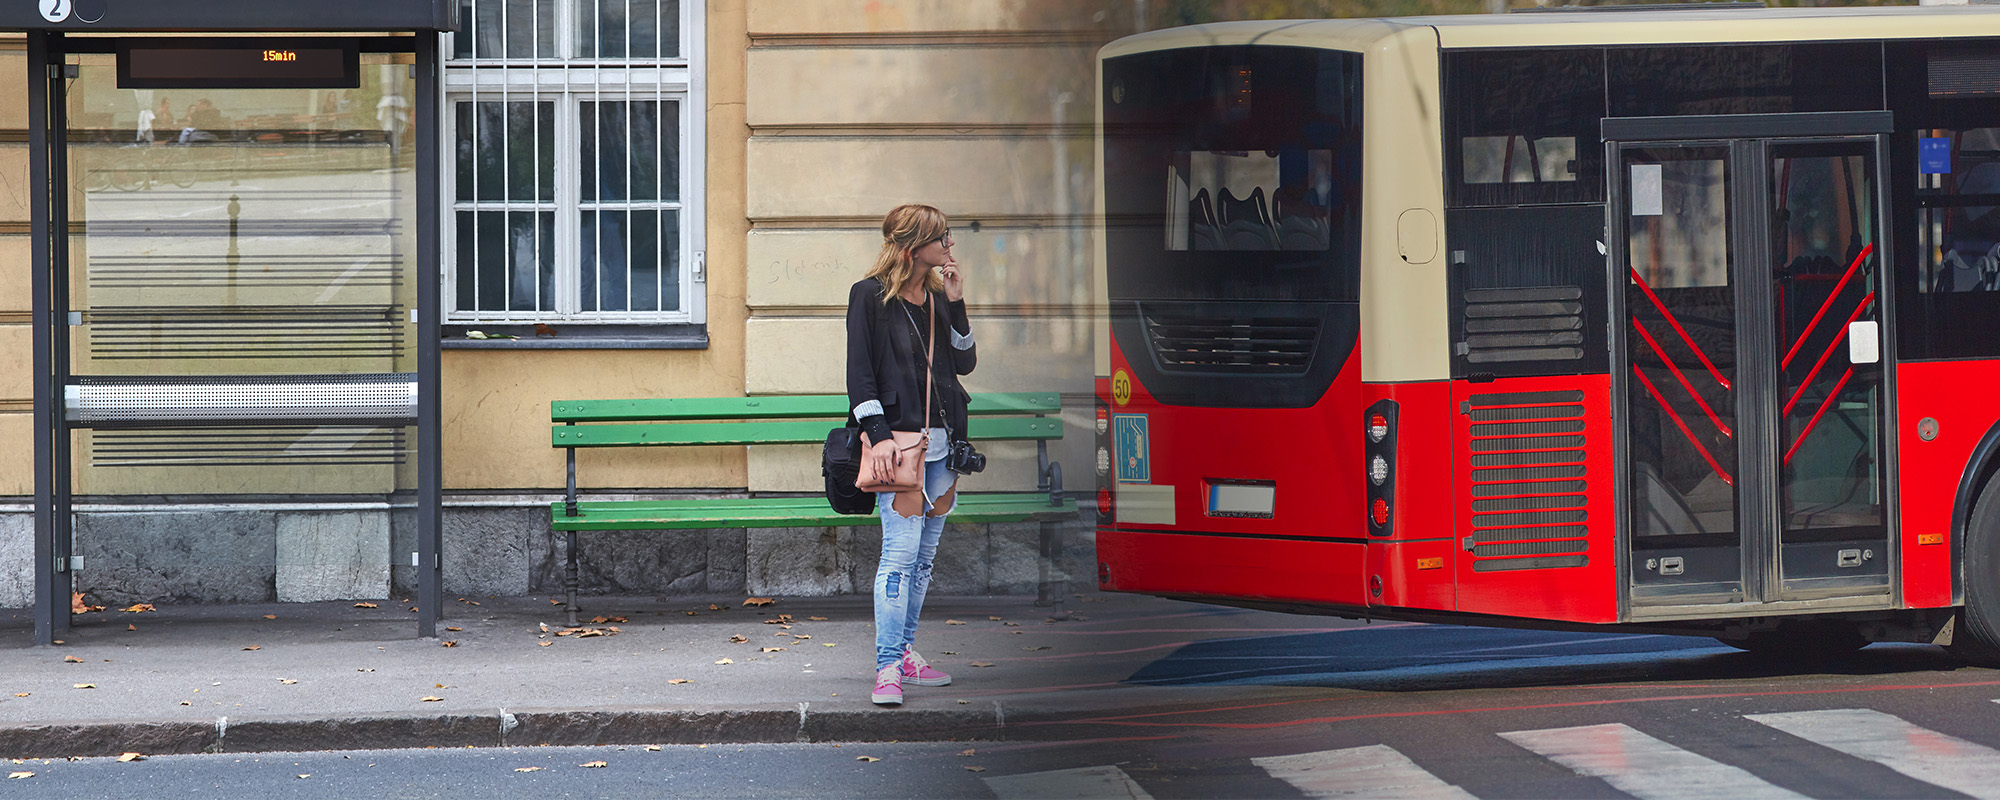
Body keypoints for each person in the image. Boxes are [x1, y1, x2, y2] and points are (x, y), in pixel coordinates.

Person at [846, 203, 975, 706]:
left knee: (922, 561)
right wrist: (876, 436)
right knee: (898, 557)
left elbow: (963, 363)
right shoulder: (869, 297)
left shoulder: (939, 297)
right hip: (897, 447)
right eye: (941, 237)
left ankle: (904, 655)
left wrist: (959, 303)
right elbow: (860, 374)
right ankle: (886, 668)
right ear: (911, 246)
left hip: (943, 448)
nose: (949, 245)